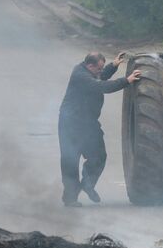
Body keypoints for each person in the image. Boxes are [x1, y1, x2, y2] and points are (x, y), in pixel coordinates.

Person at [58, 52, 141, 207]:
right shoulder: (80, 75)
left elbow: (100, 76)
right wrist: (126, 81)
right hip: (71, 124)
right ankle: (70, 198)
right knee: (70, 161)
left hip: (88, 123)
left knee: (99, 156)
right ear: (90, 66)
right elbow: (101, 86)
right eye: (99, 68)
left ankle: (87, 184)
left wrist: (113, 65)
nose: (101, 71)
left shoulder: (90, 72)